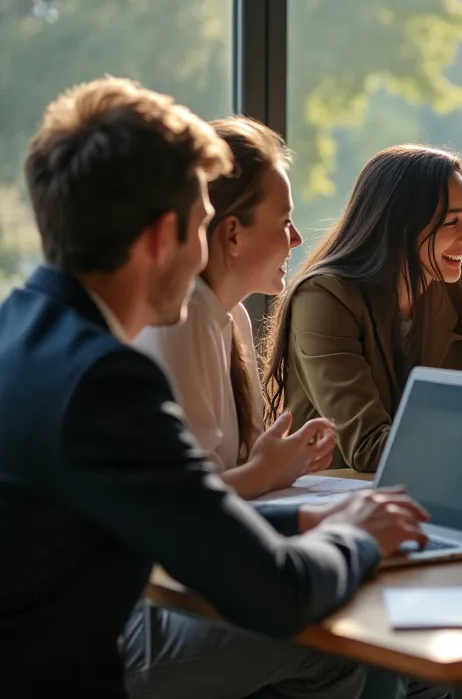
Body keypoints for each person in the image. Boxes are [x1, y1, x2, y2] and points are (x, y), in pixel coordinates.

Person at [0, 77, 428, 697]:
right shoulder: (106, 385)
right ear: (157, 238)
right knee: (349, 651)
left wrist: (316, 516)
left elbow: (189, 514)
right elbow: (276, 593)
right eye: (201, 225)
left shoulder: (21, 329)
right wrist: (356, 534)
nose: (206, 248)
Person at [262, 144, 462, 473]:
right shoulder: (325, 298)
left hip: (446, 483)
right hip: (341, 495)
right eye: (451, 222)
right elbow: (368, 447)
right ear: (399, 228)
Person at [134, 116, 329, 499]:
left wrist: (275, 461)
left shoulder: (231, 316)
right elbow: (189, 500)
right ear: (233, 235)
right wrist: (269, 470)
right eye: (285, 221)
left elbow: (233, 473)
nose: (297, 239)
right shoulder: (182, 320)